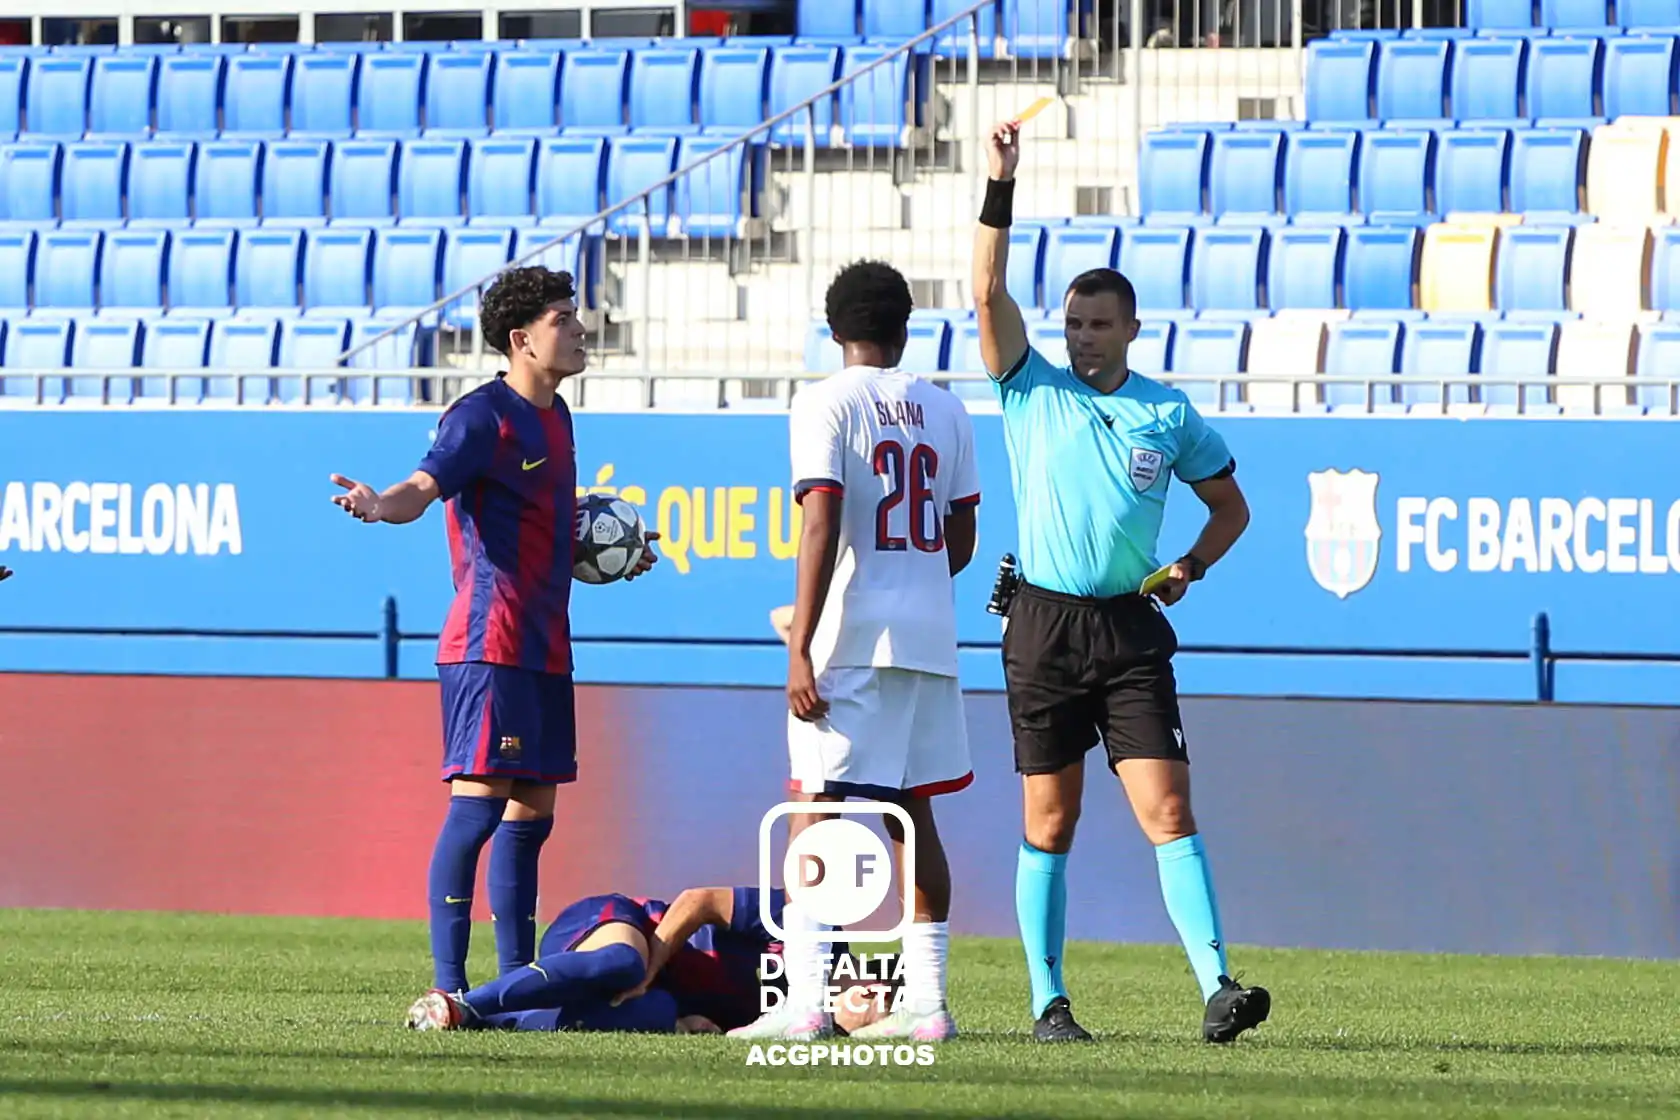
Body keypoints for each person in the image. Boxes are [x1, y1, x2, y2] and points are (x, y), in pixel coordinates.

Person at [971, 120, 1268, 1044]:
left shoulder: (1167, 413)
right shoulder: (1030, 386)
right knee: (1050, 819)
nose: (1085, 338)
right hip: (1044, 626)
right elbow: (984, 289)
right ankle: (1047, 1003)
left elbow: (1232, 509)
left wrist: (1190, 566)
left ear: (1134, 329)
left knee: (1167, 807)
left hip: (1130, 630)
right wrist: (1000, 184)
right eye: (1074, 324)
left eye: (1102, 325)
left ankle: (1219, 987)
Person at [329, 266, 658, 996]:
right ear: (521, 338)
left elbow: (544, 527)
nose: (578, 330)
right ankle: (448, 987)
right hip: (491, 644)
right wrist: (380, 504)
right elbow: (424, 485)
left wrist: (615, 552)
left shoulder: (560, 417)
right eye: (563, 319)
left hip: (546, 643)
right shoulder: (480, 417)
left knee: (532, 814)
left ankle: (514, 987)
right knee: (475, 810)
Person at [728, 261, 981, 1044]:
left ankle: (804, 1001)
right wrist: (909, 581)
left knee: (816, 806)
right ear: (907, 328)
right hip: (929, 635)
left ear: (832, 330)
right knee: (914, 812)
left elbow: (820, 520)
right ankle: (929, 1007)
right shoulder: (946, 409)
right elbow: (960, 539)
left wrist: (800, 645)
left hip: (852, 640)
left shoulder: (823, 402)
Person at [404, 885, 893, 1036]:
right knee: (625, 966)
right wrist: (655, 965)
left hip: (654, 992)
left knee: (657, 1016)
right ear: (869, 987)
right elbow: (699, 901)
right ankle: (462, 1001)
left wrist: (693, 1022)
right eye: (879, 1012)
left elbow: (709, 1016)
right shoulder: (814, 927)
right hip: (628, 925)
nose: (857, 1025)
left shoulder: (794, 1022)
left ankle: (492, 1023)